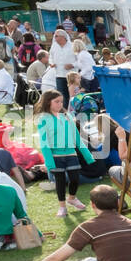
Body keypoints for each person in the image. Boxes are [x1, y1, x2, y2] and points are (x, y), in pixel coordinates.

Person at [35, 89, 93, 218]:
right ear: (48, 102)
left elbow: (77, 138)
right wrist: (49, 162)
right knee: (60, 181)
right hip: (55, 156)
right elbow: (44, 143)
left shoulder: (68, 117)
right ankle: (62, 207)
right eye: (56, 102)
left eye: (61, 101)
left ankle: (72, 198)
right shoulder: (43, 119)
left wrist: (87, 155)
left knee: (74, 178)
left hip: (71, 153)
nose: (60, 104)